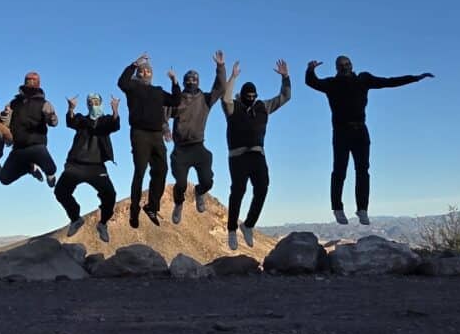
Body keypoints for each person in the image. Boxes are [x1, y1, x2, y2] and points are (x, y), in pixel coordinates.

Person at [305, 55, 434, 225]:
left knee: (363, 170)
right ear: (337, 68)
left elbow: (389, 82)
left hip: (360, 130)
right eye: (341, 65)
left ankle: (362, 209)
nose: (345, 67)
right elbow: (312, 82)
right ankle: (337, 208)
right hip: (341, 132)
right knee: (339, 171)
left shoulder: (363, 80)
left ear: (352, 65)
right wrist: (310, 69)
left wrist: (415, 78)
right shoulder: (331, 84)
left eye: (348, 63)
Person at [221, 60, 290, 250]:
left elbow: (284, 97)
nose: (251, 98)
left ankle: (248, 225)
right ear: (242, 96)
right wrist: (233, 77)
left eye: (253, 95)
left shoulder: (262, 107)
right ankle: (232, 230)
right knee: (238, 191)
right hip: (237, 156)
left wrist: (285, 77)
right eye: (247, 96)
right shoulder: (233, 107)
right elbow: (225, 98)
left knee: (262, 188)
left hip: (257, 155)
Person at [117, 53, 181, 228]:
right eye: (142, 71)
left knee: (162, 169)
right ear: (138, 73)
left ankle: (152, 206)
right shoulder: (133, 87)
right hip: (139, 134)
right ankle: (134, 210)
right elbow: (121, 82)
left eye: (148, 72)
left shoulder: (158, 91)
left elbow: (176, 100)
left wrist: (175, 81)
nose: (145, 74)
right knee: (140, 171)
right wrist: (134, 64)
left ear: (152, 74)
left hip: (156, 135)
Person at [164, 50, 228, 225]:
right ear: (184, 82)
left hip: (198, 147)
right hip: (181, 149)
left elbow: (220, 88)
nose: (191, 82)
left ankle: (200, 192)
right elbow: (163, 113)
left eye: (195, 79)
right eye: (189, 80)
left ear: (198, 82)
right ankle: (179, 204)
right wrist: (165, 129)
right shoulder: (177, 100)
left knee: (207, 181)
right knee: (181, 184)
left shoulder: (205, 99)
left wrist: (220, 67)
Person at [54, 93, 121, 242]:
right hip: (76, 164)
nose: (93, 104)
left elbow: (115, 125)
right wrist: (70, 109)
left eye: (96, 101)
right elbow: (71, 121)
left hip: (96, 167)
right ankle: (76, 219)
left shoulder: (105, 121)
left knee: (110, 195)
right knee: (60, 192)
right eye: (90, 102)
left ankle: (103, 224)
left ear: (101, 103)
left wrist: (115, 110)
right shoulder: (82, 120)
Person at [0, 72, 59, 186]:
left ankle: (50, 175)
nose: (30, 83)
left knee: (51, 168)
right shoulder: (14, 103)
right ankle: (30, 168)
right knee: (4, 179)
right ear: (24, 83)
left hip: (37, 146)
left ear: (38, 84)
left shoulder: (44, 103)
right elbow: (5, 123)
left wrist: (51, 117)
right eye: (28, 81)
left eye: (33, 81)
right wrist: (5, 115)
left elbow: (54, 123)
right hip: (18, 149)